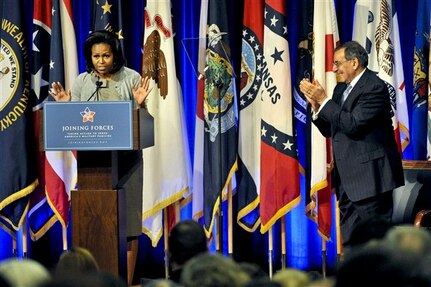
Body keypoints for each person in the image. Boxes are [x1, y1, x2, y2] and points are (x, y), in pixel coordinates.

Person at [49, 30, 151, 286]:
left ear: (115, 54)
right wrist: (65, 108)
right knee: (94, 224)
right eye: (96, 56)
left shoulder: (132, 78)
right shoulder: (83, 82)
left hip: (127, 163)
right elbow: (77, 124)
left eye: (106, 55)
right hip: (94, 167)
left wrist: (139, 105)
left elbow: (143, 125)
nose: (101, 61)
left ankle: (125, 283)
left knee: (127, 226)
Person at [299, 41, 404, 250]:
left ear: (354, 62)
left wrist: (325, 101)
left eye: (338, 63)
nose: (334, 68)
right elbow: (333, 129)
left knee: (376, 246)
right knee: (352, 243)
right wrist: (317, 107)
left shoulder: (374, 87)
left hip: (371, 180)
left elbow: (353, 124)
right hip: (347, 180)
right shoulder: (340, 90)